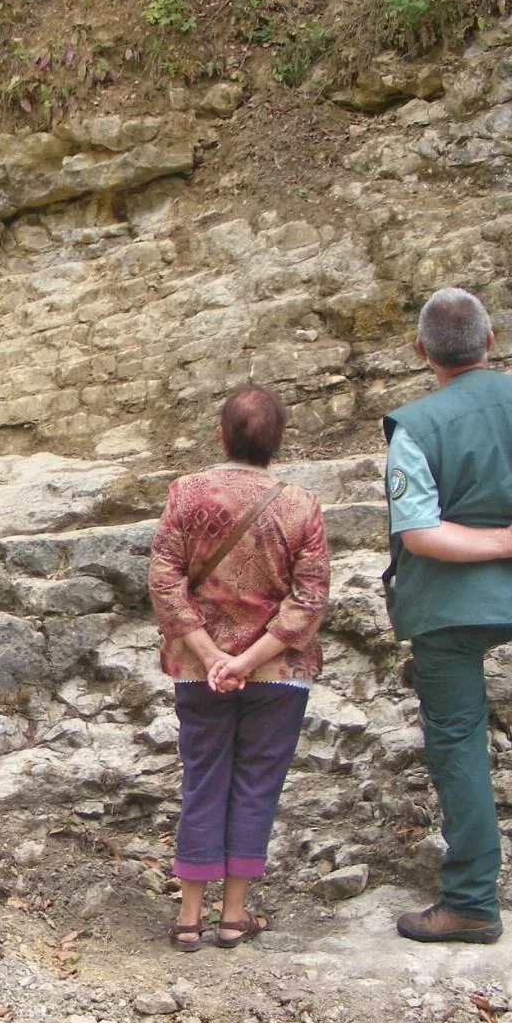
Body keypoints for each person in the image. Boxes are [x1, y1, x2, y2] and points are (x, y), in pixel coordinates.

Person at [383, 287, 512, 944]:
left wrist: (499, 539)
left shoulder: (415, 425)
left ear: (422, 352)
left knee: (457, 741)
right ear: (490, 340)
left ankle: (471, 899)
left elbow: (417, 534)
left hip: (450, 609)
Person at [147, 384, 330, 951]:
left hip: (199, 670)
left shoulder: (186, 493)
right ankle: (233, 916)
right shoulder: (302, 505)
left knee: (204, 778)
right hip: (278, 671)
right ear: (277, 443)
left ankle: (187, 917)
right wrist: (250, 659)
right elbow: (310, 598)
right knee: (257, 784)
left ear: (222, 435)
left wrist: (211, 657)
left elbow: (164, 580)